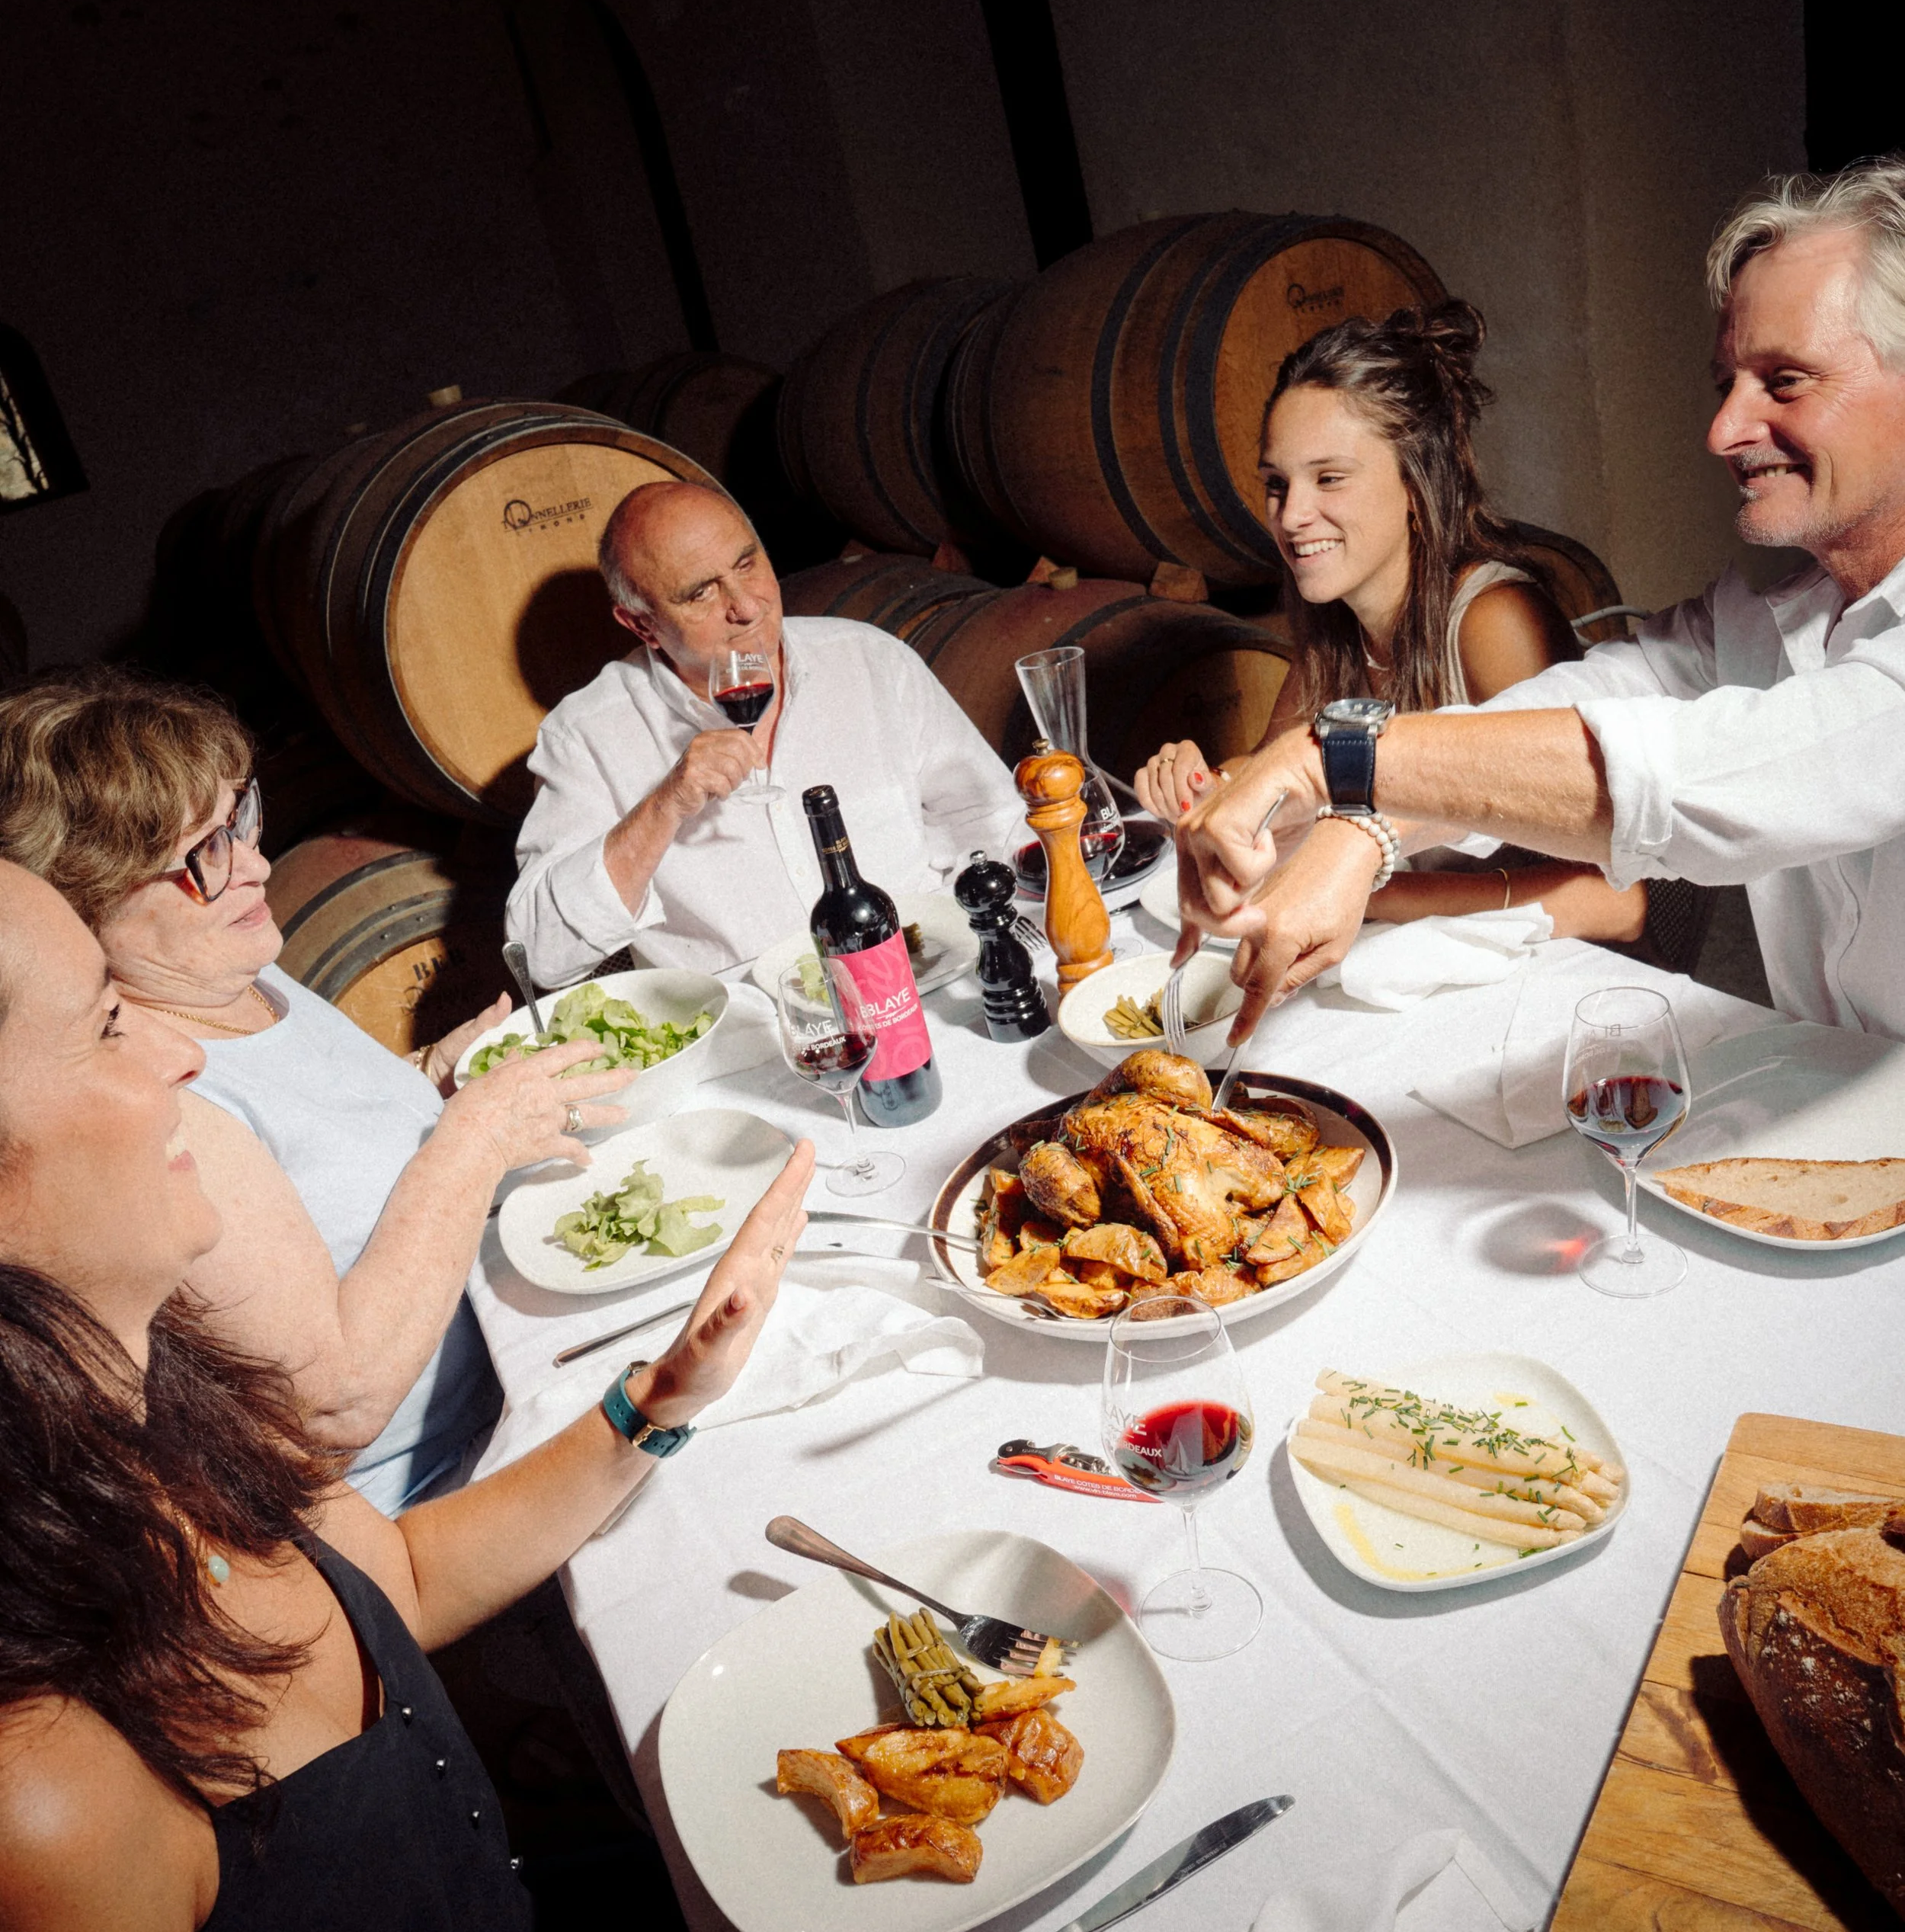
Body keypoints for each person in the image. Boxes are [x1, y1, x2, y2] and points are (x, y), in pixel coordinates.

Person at [0, 861, 981, 1932]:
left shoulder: (151, 1411)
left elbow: (386, 1568)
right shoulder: (44, 1795)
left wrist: (658, 1403)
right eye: (102, 1025)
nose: (185, 1051)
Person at [1169, 157, 1905, 1040]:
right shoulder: (1767, 616)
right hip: (1840, 1100)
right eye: (1726, 385)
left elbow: (1720, 767)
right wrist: (1351, 821)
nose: (1721, 432)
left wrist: (1340, 768)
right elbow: (1595, 697)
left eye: (1784, 381)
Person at [0, 670, 632, 1511]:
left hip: (527, 1360)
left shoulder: (231, 974)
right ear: (85, 908)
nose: (258, 865)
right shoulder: (167, 1100)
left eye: (242, 818)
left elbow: (320, 1157)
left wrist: (435, 1076)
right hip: (457, 1487)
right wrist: (474, 1141)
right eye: (204, 856)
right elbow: (334, 1403)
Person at [1137, 302, 1650, 947]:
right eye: (1277, 483)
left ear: (1415, 485)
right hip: (1437, 969)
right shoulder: (1334, 622)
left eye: (1329, 478)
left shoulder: (1495, 619)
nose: (1292, 515)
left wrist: (1364, 891)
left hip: (1568, 986)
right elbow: (1281, 771)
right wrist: (1205, 784)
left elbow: (1615, 904)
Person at [507, 479, 1024, 979]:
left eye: (746, 564)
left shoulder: (868, 659)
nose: (747, 607)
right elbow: (541, 954)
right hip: (758, 1040)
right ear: (642, 624)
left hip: (929, 980)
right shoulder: (585, 735)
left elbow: (992, 817)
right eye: (701, 594)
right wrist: (665, 807)